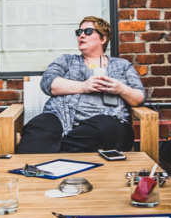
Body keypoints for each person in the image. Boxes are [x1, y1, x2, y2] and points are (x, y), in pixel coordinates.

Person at [16, 16, 146, 154]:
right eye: (79, 32)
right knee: (37, 127)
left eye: (88, 31)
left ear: (103, 38)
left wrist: (121, 89)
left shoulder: (122, 65)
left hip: (104, 122)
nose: (82, 35)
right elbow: (48, 82)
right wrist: (83, 86)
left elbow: (139, 97)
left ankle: (51, 148)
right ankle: (35, 163)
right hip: (60, 116)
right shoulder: (66, 60)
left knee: (112, 130)